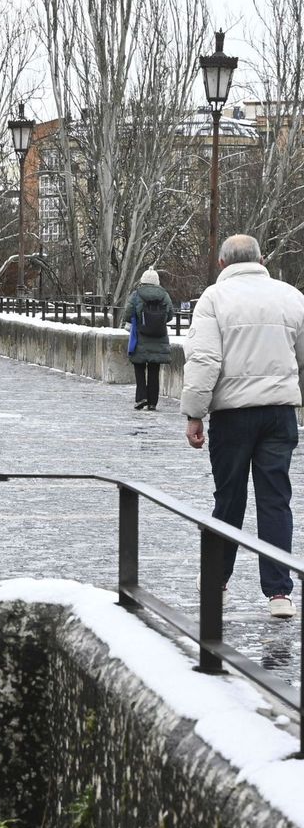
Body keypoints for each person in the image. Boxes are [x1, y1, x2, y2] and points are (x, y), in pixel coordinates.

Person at [182, 234, 304, 619]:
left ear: (222, 264)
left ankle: (217, 581)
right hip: (279, 413)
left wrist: (194, 413)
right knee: (275, 500)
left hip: (233, 414)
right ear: (261, 259)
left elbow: (204, 360)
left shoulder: (214, 299)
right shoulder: (290, 296)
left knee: (229, 498)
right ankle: (279, 593)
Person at [124, 268, 174, 411]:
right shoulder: (164, 295)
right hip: (159, 337)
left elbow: (127, 314)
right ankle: (153, 402)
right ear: (157, 282)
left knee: (139, 367)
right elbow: (170, 315)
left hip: (140, 337)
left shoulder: (136, 295)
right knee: (154, 370)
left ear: (143, 281)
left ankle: (141, 397)